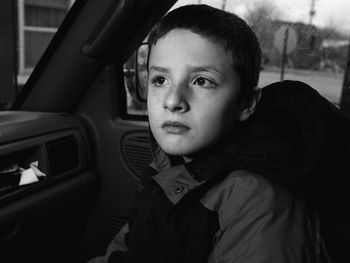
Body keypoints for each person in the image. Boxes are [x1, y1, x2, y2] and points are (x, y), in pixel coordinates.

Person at [88, 5, 334, 262]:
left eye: (202, 81)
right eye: (160, 80)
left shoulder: (261, 205)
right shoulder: (169, 167)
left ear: (247, 103)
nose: (173, 101)